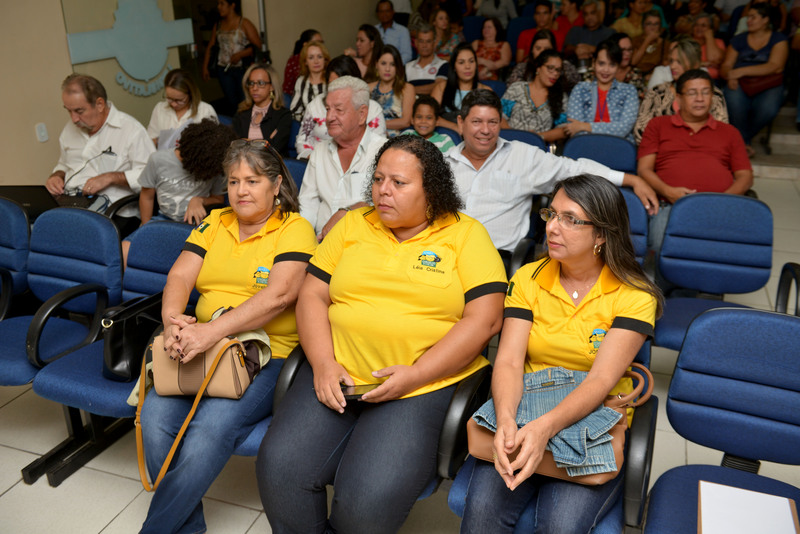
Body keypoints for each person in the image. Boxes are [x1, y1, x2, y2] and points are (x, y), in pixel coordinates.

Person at [257, 134, 507, 534]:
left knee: (365, 506)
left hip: (420, 384)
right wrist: (322, 363)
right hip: (337, 370)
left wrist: (418, 373)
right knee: (280, 470)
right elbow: (312, 295)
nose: (383, 191)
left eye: (399, 183)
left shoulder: (466, 235)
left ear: (431, 190)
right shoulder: (352, 224)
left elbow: (486, 321)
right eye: (378, 179)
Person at [460, 173, 662, 534]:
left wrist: (544, 429)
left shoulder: (634, 295)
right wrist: (506, 421)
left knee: (560, 526)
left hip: (590, 418)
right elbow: (509, 362)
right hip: (524, 408)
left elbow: (601, 380)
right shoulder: (529, 278)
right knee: (483, 514)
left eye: (570, 219)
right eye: (551, 214)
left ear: (601, 234)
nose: (552, 227)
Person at [139, 139, 317, 534]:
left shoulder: (295, 229)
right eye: (234, 181)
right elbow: (180, 276)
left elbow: (279, 296)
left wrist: (211, 332)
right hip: (201, 344)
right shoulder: (215, 222)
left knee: (209, 430)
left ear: (276, 184)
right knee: (153, 419)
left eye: (253, 181)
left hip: (267, 355)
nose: (241, 191)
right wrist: (173, 321)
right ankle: (187, 529)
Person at [443, 89, 658, 256]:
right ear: (461, 123)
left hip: (494, 257)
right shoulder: (442, 164)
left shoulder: (522, 156)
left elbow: (574, 169)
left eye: (492, 122)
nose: (485, 130)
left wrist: (631, 179)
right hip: (442, 255)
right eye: (477, 122)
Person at [638, 69, 753, 255]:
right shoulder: (658, 125)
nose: (700, 98)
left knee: (725, 252)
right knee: (662, 246)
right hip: (670, 204)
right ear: (679, 98)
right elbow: (644, 169)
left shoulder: (730, 132)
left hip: (719, 207)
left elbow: (745, 176)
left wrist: (721, 201)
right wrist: (668, 191)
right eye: (692, 93)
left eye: (705, 92)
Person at [45, 74, 154, 225]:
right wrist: (57, 175)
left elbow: (151, 175)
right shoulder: (69, 130)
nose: (74, 119)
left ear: (100, 104)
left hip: (113, 211)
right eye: (69, 111)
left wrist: (111, 177)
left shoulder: (131, 130)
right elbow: (63, 164)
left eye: (79, 111)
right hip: (72, 204)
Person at [298, 76, 388, 239]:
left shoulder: (384, 152)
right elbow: (308, 205)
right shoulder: (319, 151)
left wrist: (349, 212)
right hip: (320, 244)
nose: (329, 117)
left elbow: (390, 208)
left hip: (365, 243)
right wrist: (303, 240)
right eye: (327, 109)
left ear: (362, 114)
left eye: (339, 110)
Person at [138, 119, 235, 228]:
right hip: (163, 219)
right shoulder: (158, 160)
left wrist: (200, 200)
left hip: (196, 222)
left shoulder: (216, 166)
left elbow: (218, 200)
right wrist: (145, 227)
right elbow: (147, 196)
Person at [721, 3, 789, 154]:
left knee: (768, 109)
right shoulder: (738, 39)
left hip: (769, 83)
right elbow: (726, 65)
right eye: (748, 17)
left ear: (765, 20)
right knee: (733, 102)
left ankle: (740, 140)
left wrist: (740, 71)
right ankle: (744, 143)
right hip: (740, 82)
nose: (748, 21)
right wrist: (729, 75)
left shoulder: (778, 39)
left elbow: (775, 66)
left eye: (753, 17)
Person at [634, 38, 729, 143]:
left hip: (703, 149)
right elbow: (640, 132)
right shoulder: (658, 92)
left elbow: (721, 133)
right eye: (671, 61)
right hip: (663, 150)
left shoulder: (712, 94)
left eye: (679, 62)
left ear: (695, 65)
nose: (672, 66)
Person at [295, 56, 387, 159]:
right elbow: (302, 141)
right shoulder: (315, 105)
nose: (330, 117)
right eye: (332, 85)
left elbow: (378, 148)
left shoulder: (372, 109)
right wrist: (315, 160)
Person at [565, 40, 640, 141]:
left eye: (612, 65)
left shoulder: (629, 91)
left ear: (618, 67)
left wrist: (585, 126)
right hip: (585, 144)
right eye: (601, 64)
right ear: (593, 63)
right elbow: (574, 128)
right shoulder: (580, 89)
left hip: (619, 145)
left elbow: (623, 129)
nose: (606, 70)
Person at [202, 0, 262, 116]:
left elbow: (257, 46)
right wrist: (205, 67)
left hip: (242, 70)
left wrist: (241, 54)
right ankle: (237, 123)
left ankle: (250, 123)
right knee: (232, 102)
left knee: (246, 101)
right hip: (223, 70)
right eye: (218, 3)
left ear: (232, 5)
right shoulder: (218, 25)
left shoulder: (244, 23)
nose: (219, 7)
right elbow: (211, 46)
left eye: (222, 3)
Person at [502, 49, 570, 142]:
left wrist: (536, 137)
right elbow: (499, 117)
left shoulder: (560, 96)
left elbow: (563, 129)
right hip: (510, 142)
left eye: (558, 70)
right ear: (538, 67)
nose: (555, 73)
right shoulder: (517, 88)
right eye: (550, 68)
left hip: (538, 146)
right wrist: (514, 137)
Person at [147, 69, 217, 148]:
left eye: (179, 100)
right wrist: (157, 141)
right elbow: (150, 140)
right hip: (164, 155)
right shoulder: (160, 109)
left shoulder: (205, 111)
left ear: (190, 94)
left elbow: (214, 145)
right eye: (169, 98)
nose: (173, 104)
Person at [232, 64, 292, 156]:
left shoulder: (283, 115)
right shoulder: (241, 114)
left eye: (261, 83)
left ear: (271, 86)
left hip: (272, 163)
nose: (254, 88)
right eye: (251, 83)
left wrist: (247, 144)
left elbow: (274, 148)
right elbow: (235, 146)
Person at [432, 43, 492, 129]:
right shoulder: (441, 88)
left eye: (471, 61)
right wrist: (456, 128)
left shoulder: (486, 91)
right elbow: (430, 116)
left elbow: (493, 121)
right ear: (454, 67)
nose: (467, 66)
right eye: (461, 62)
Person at [508, 30, 581, 90]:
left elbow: (578, 87)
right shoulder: (522, 68)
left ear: (553, 50)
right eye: (538, 48)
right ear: (532, 50)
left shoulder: (564, 66)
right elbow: (512, 90)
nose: (541, 52)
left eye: (547, 49)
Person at [369, 45, 417, 136]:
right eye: (383, 63)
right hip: (372, 136)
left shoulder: (407, 88)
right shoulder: (368, 88)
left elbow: (406, 122)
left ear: (397, 67)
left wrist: (375, 124)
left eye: (392, 64)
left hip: (398, 138)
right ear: (376, 65)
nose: (387, 69)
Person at [289, 40, 330, 121]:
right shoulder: (301, 81)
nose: (316, 61)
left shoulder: (331, 79)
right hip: (307, 124)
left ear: (325, 60)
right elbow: (294, 110)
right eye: (311, 58)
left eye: (319, 57)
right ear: (305, 62)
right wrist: (310, 120)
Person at [405, 23, 449, 95]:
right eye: (421, 41)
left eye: (428, 41)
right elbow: (399, 89)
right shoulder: (407, 67)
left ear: (434, 43)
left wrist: (409, 90)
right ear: (416, 43)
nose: (424, 45)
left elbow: (439, 87)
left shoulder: (443, 65)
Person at [283, 29, 323, 97]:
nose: (316, 61)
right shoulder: (294, 61)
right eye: (311, 58)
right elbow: (287, 88)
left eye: (321, 43)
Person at [631, 10, 670, 76]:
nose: (652, 27)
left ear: (660, 26)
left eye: (656, 24)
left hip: (656, 76)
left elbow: (666, 66)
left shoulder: (666, 44)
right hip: (636, 75)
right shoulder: (635, 40)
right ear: (643, 25)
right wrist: (647, 41)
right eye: (649, 24)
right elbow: (633, 62)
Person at [692, 13, 726, 79]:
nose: (699, 28)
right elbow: (684, 63)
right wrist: (705, 63)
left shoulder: (718, 42)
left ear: (710, 29)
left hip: (712, 80)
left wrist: (709, 37)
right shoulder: (687, 42)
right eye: (696, 25)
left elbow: (714, 59)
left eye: (703, 25)